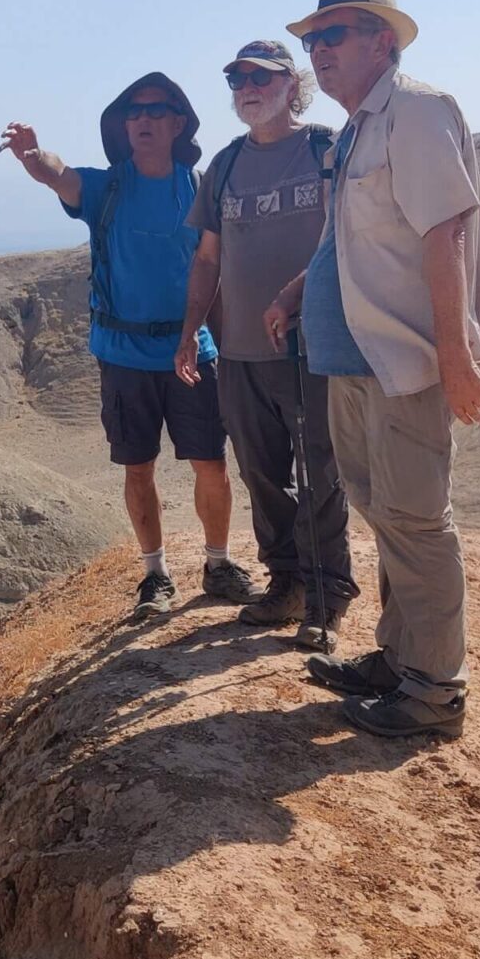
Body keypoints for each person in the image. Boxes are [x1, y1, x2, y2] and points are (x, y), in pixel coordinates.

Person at [262, 0, 480, 738]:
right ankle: (399, 659)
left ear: (383, 41)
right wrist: (301, 289)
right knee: (385, 514)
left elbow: (447, 233)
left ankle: (433, 694)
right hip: (350, 357)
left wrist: (457, 354)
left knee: (416, 520)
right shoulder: (355, 132)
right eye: (313, 40)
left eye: (335, 35)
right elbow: (351, 237)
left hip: (405, 360)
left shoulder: (418, 110)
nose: (319, 52)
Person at [1, 75, 256, 618]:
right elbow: (58, 175)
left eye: (157, 110)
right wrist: (31, 152)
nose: (142, 119)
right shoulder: (106, 188)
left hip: (194, 351)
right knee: (137, 467)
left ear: (177, 124)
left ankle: (218, 564)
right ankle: (156, 575)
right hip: (123, 356)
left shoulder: (201, 188)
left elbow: (216, 268)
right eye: (134, 112)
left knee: (211, 464)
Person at [174, 40, 358, 647]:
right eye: (236, 79)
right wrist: (190, 332)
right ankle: (286, 583)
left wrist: (298, 295)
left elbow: (347, 238)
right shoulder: (224, 166)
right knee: (260, 473)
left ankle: (328, 593)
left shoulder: (324, 148)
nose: (246, 87)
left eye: (260, 76)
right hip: (241, 352)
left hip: (315, 346)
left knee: (320, 472)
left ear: (290, 84)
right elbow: (206, 260)